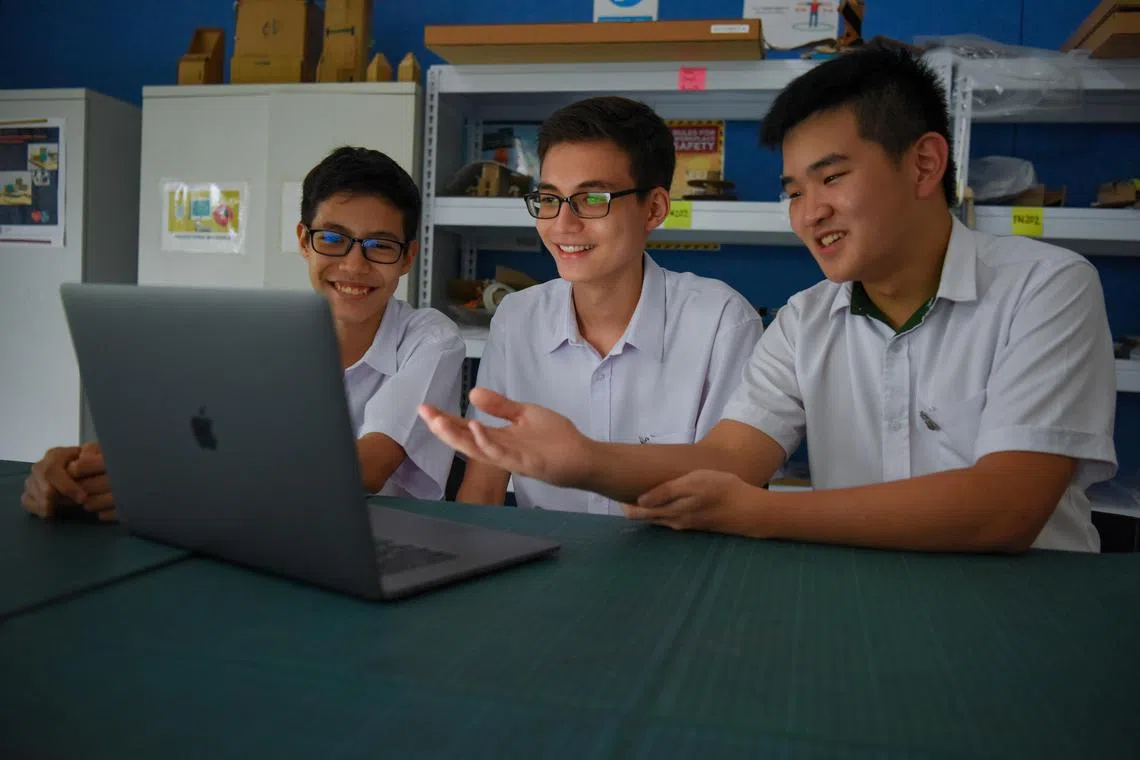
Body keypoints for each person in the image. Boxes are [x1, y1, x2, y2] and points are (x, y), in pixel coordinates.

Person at [422, 45, 1117, 553]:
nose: (809, 213)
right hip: (862, 608)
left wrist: (763, 514)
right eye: (791, 191)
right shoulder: (804, 322)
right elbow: (728, 462)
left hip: (1024, 614)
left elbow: (1004, 508)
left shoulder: (1045, 288)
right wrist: (580, 461)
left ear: (925, 164)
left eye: (831, 177)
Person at [22, 146, 465, 522]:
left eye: (380, 245)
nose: (353, 265)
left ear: (407, 258)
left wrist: (160, 475)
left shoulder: (429, 340)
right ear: (303, 240)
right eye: (333, 238)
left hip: (386, 545)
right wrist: (82, 471)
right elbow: (183, 436)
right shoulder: (258, 336)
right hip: (257, 535)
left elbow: (365, 468)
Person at [453, 96, 764, 515]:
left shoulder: (721, 323)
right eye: (549, 199)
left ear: (653, 209)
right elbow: (483, 487)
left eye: (592, 199)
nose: (563, 224)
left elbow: (731, 492)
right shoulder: (518, 318)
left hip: (672, 567)